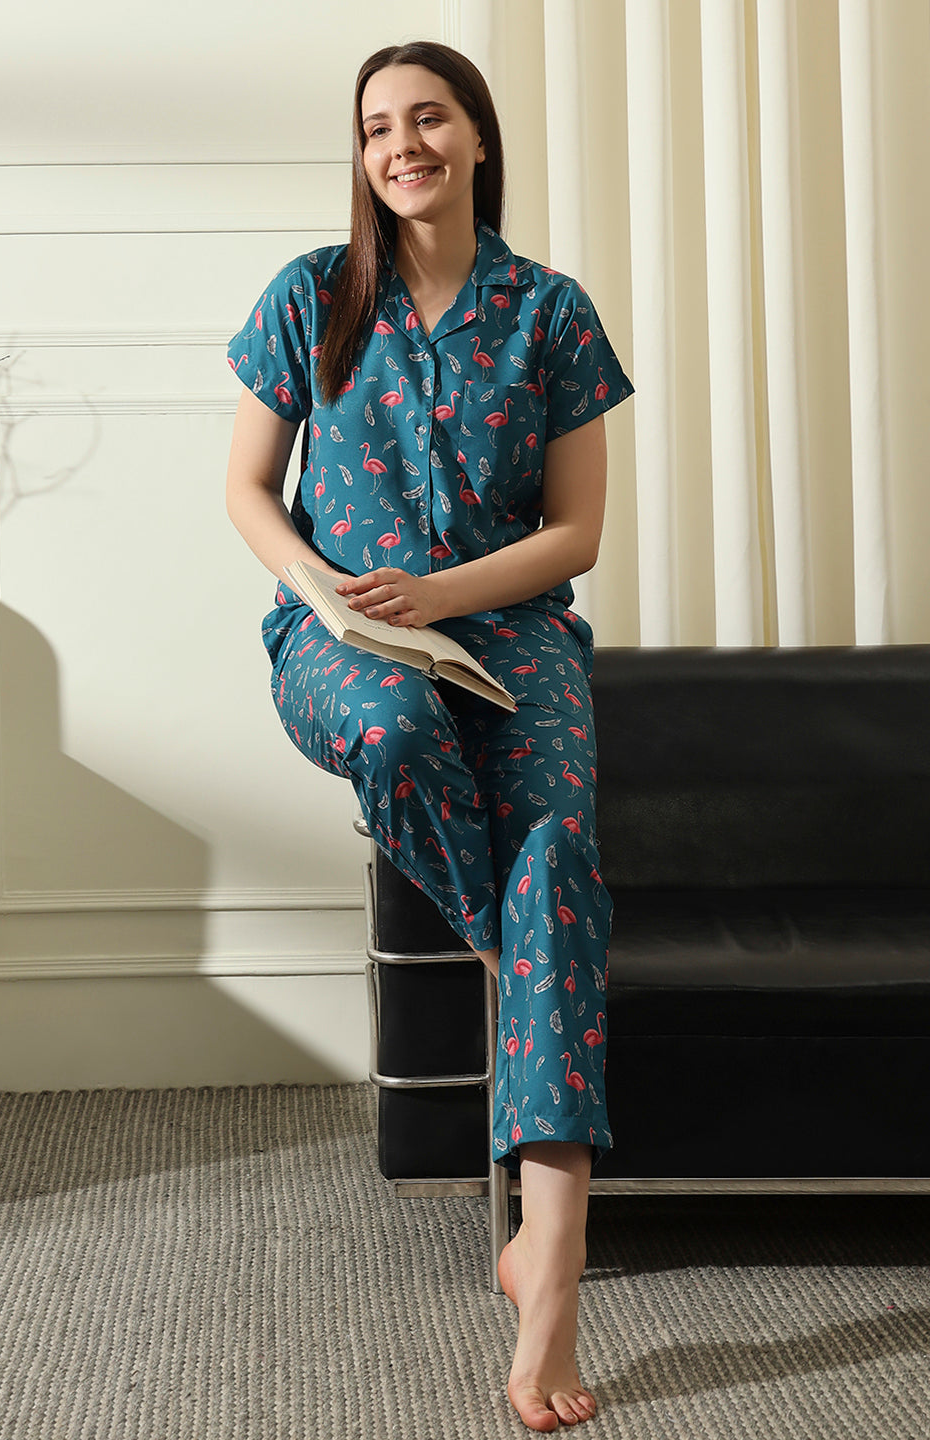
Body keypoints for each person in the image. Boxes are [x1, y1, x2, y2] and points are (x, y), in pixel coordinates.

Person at [225, 39, 633, 1432]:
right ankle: (528, 965)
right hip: (342, 640)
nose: (401, 144)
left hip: (512, 638)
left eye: (428, 118)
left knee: (556, 858)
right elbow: (246, 488)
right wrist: (323, 591)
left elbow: (576, 533)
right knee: (403, 733)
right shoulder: (312, 296)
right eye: (376, 127)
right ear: (360, 156)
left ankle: (550, 1270)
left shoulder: (551, 311)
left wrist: (444, 595)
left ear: (476, 138)